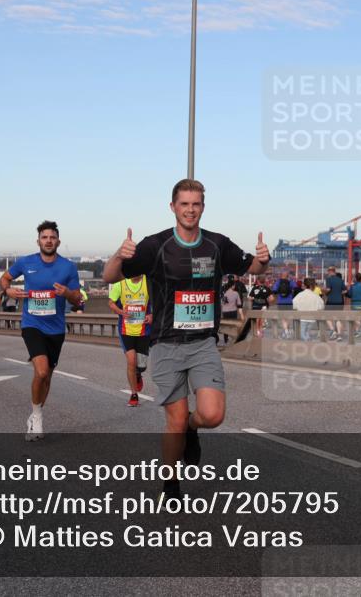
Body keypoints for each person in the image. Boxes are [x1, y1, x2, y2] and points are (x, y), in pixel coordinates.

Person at [102, 179, 269, 501]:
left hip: (203, 343)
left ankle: (195, 429)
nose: (190, 210)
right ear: (173, 207)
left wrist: (263, 258)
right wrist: (117, 255)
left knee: (212, 415)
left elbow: (255, 268)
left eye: (196, 204)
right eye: (184, 204)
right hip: (165, 343)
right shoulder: (155, 245)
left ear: (203, 207)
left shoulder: (218, 244)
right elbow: (110, 276)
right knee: (175, 421)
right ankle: (171, 483)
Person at [1, 220, 82, 440]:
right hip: (32, 324)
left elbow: (78, 299)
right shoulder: (26, 262)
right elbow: (5, 278)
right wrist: (8, 291)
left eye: (52, 237)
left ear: (58, 241)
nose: (48, 241)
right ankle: (37, 417)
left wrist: (67, 293)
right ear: (38, 241)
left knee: (47, 377)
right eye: (44, 237)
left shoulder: (68, 267)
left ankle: (35, 413)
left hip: (56, 328)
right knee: (42, 371)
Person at [108, 275, 152, 407]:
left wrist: (152, 315)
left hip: (144, 330)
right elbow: (110, 302)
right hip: (126, 330)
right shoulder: (120, 284)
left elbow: (160, 300)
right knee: (131, 361)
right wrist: (121, 312)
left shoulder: (148, 282)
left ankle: (138, 373)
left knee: (141, 365)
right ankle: (134, 394)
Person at [324, 266, 346, 340]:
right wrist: (339, 294)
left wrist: (324, 291)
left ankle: (333, 331)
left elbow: (328, 289)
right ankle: (339, 335)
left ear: (330, 271)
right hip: (339, 301)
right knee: (338, 318)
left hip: (331, 301)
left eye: (328, 271)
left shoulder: (328, 279)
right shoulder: (340, 280)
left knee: (327, 317)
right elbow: (345, 291)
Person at [345, 272, 361, 338]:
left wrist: (346, 293)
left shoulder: (353, 287)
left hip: (355, 303)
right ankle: (357, 332)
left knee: (354, 317)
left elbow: (349, 295)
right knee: (358, 318)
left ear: (355, 278)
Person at [272, 272, 295, 339]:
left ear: (281, 276)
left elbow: (274, 290)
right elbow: (296, 288)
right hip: (289, 301)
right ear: (288, 276)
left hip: (280, 302)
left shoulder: (278, 282)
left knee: (283, 318)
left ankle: (286, 331)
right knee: (288, 317)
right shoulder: (290, 282)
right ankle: (287, 331)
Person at [220, 277, 243, 344]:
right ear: (232, 286)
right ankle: (233, 339)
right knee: (233, 325)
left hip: (225, 311)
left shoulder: (224, 294)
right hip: (233, 311)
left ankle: (225, 339)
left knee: (226, 325)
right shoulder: (236, 293)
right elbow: (239, 303)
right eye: (234, 285)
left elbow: (222, 303)